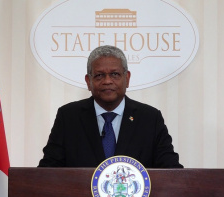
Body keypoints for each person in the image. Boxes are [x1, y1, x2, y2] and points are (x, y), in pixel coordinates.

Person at [38, 45, 183, 168]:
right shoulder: (68, 117)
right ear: (88, 81)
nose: (107, 81)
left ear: (127, 78)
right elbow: (48, 171)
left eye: (114, 74)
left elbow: (171, 171)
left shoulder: (150, 119)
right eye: (99, 75)